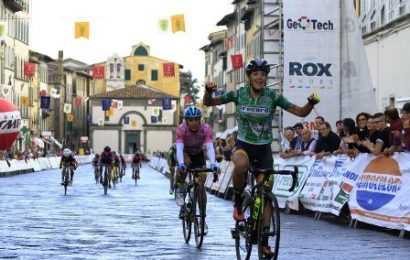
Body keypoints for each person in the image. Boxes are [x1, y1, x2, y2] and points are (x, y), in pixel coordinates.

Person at [203, 58, 318, 255]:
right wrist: (208, 91)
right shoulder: (238, 94)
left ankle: (264, 240)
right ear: (249, 77)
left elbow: (299, 112)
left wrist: (310, 102)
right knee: (239, 165)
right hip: (244, 144)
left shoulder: (273, 97)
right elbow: (210, 102)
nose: (260, 77)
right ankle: (238, 203)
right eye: (256, 74)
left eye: (263, 75)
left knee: (265, 196)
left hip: (264, 149)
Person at [176, 105, 218, 236]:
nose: (193, 123)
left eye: (196, 120)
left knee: (201, 185)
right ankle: (181, 188)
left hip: (199, 154)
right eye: (190, 120)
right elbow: (179, 148)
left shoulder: (206, 129)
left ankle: (202, 218)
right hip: (185, 153)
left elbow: (210, 147)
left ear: (200, 120)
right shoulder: (181, 129)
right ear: (186, 121)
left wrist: (213, 163)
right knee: (185, 165)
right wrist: (181, 163)